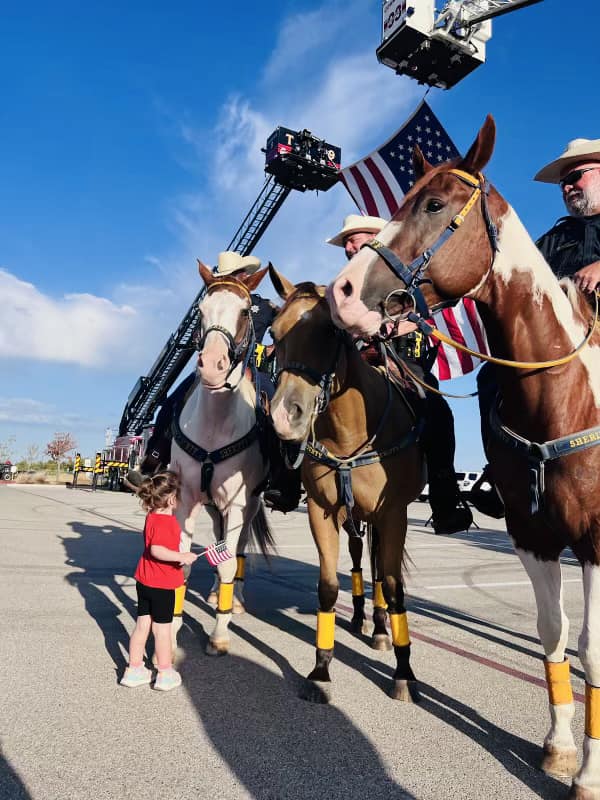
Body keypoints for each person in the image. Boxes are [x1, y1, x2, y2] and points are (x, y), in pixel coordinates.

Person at [474, 137, 600, 517]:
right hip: (558, 349)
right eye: (563, 183)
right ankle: (502, 472)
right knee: (491, 375)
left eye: (575, 177)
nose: (567, 187)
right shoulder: (551, 240)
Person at [327, 215, 473, 535]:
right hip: (355, 362)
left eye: (353, 239)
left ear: (377, 239)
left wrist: (390, 327)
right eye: (346, 244)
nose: (348, 248)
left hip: (406, 363)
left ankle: (445, 501)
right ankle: (290, 480)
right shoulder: (346, 282)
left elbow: (427, 312)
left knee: (437, 413)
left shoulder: (408, 277)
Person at [128, 250, 302, 513]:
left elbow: (284, 327)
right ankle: (152, 463)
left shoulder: (264, 306)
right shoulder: (212, 300)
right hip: (212, 365)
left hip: (250, 369)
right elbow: (200, 333)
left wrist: (272, 349)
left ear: (245, 276)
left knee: (281, 413)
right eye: (225, 275)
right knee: (172, 403)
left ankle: (283, 481)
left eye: (235, 274)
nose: (230, 279)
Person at [120, 470, 198, 691]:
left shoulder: (152, 517)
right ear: (172, 499)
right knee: (162, 630)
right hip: (162, 584)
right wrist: (181, 556)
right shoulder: (168, 522)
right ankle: (165, 673)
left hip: (144, 580)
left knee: (142, 625)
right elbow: (157, 550)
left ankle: (134, 669)